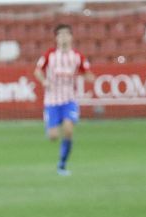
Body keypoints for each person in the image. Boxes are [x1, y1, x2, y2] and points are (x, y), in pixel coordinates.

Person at [33, 24, 94, 176]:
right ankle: (55, 123)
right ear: (56, 38)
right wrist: (44, 81)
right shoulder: (50, 55)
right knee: (53, 137)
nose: (64, 37)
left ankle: (62, 164)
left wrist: (89, 77)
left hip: (69, 100)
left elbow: (88, 73)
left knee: (68, 130)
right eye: (60, 35)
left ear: (71, 37)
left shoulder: (77, 56)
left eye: (66, 34)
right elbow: (38, 71)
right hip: (52, 101)